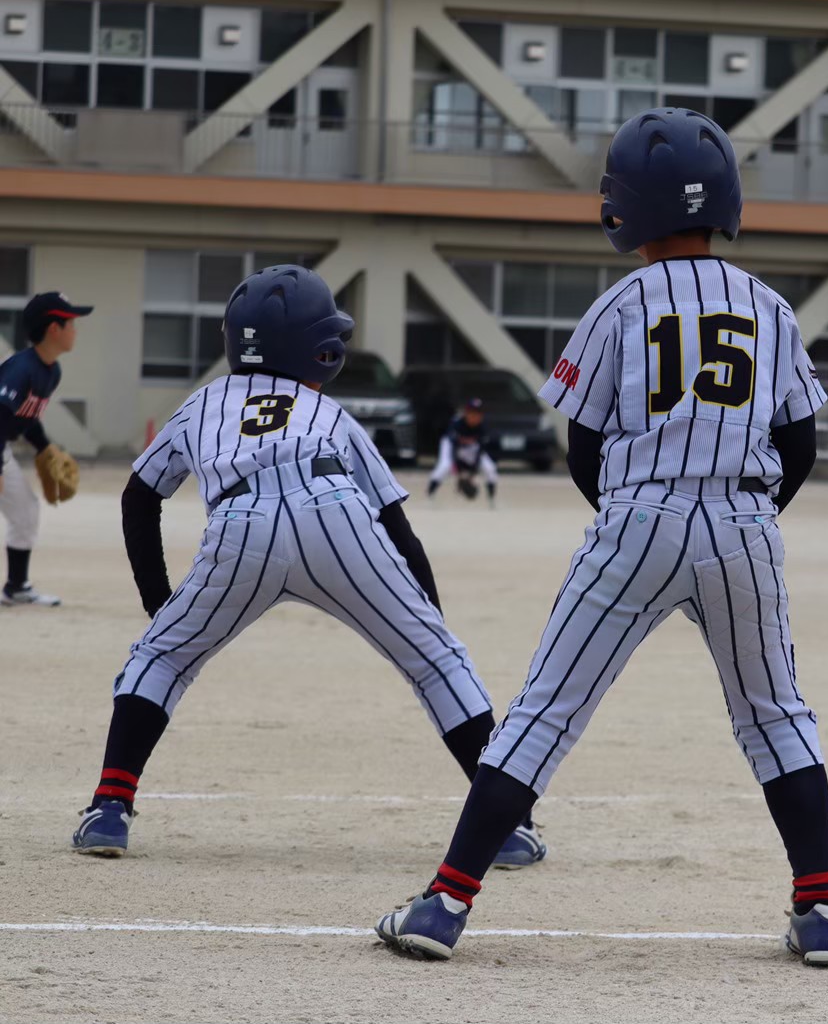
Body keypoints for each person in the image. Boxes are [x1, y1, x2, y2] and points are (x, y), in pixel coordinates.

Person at [374, 108, 828, 967]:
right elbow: (802, 442)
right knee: (776, 712)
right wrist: (743, 523)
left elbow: (583, 447)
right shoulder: (770, 305)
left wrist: (633, 521)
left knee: (545, 713)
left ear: (624, 206)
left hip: (639, 517)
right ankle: (823, 912)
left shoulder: (618, 305)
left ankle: (444, 905)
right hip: (744, 521)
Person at [70, 265, 545, 871]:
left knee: (159, 658)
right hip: (335, 514)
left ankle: (110, 809)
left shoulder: (203, 405)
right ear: (315, 349)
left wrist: (159, 605)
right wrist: (430, 624)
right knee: (438, 664)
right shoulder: (331, 415)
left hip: (241, 525)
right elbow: (399, 528)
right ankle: (505, 831)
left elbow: (139, 496)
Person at [0, 292, 91, 607]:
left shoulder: (51, 371)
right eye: (71, 324)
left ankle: (17, 587)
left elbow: (25, 417)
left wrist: (45, 449)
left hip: (2, 448)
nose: (75, 331)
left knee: (25, 510)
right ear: (54, 328)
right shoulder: (20, 369)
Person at [426, 398, 498, 507]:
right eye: (472, 413)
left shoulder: (483, 427)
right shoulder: (457, 424)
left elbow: (480, 451)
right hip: (450, 445)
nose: (475, 416)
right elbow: (454, 450)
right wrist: (459, 473)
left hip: (471, 449)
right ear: (466, 413)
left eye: (478, 413)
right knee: (445, 466)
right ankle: (430, 494)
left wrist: (471, 474)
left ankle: (492, 499)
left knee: (490, 468)